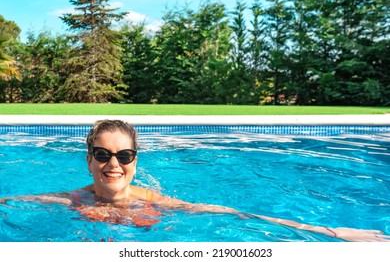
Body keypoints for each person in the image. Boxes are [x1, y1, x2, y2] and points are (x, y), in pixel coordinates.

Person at [1, 119, 389, 242]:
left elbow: (227, 211)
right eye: (103, 155)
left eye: (124, 156)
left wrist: (326, 230)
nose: (113, 164)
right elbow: (17, 199)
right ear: (89, 162)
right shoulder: (72, 200)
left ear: (135, 162)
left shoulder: (151, 198)